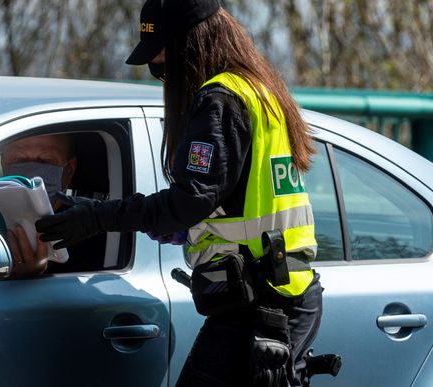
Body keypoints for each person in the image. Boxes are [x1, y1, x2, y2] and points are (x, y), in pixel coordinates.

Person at [35, 1, 323, 386]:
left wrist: (95, 217)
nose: (161, 74)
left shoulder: (221, 100)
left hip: (262, 303)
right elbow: (224, 205)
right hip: (283, 294)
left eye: (161, 61)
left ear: (190, 45)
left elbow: (188, 202)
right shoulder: (258, 91)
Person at [0, 133, 106, 277]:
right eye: (19, 159)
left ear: (69, 170)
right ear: (3, 163)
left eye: (46, 160)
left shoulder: (90, 227)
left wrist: (32, 278)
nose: (32, 171)